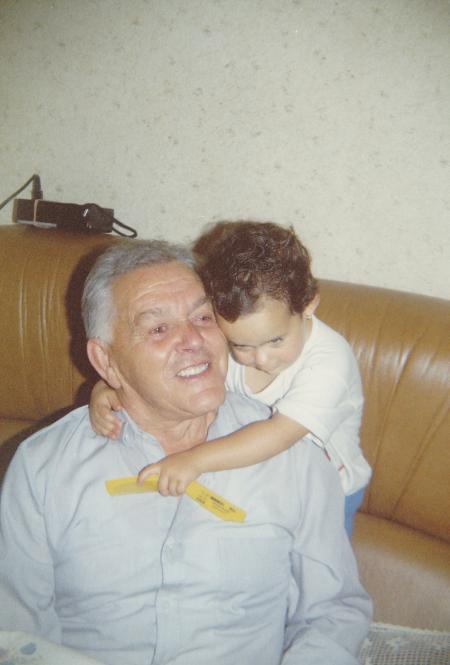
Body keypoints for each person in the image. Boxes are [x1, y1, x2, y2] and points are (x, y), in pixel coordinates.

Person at [0, 239, 372, 665]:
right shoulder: (44, 468)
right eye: (158, 329)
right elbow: (14, 626)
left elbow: (333, 615)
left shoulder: (294, 458)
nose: (193, 340)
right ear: (106, 361)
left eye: (204, 317)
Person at [91, 221, 371, 537]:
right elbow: (182, 374)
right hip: (260, 476)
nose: (261, 360)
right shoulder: (232, 340)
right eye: (241, 346)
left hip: (331, 488)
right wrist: (109, 387)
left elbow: (279, 434)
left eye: (275, 340)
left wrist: (194, 461)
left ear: (308, 305)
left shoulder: (330, 364)